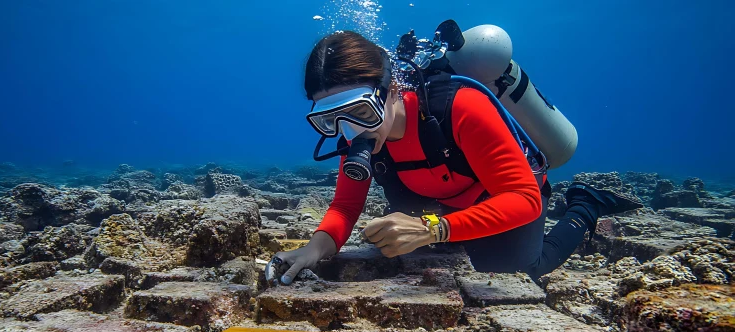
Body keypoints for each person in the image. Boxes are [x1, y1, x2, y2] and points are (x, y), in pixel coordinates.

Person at [266, 30, 642, 286]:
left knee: (518, 270)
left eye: (359, 111)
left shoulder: (460, 107)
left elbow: (523, 199)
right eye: (330, 120)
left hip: (503, 195)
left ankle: (584, 206)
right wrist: (316, 247)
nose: (349, 132)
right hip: (439, 202)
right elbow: (346, 207)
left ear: (392, 88)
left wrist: (434, 228)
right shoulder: (357, 136)